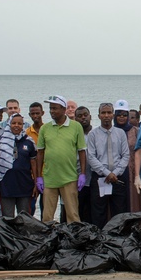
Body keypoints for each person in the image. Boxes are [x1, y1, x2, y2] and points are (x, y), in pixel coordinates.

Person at [35, 95, 87, 223]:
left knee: (73, 216)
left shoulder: (76, 127)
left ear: (64, 109)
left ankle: (74, 241)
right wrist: (39, 177)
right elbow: (40, 153)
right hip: (49, 178)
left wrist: (82, 174)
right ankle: (48, 241)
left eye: (55, 108)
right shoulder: (45, 128)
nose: (52, 111)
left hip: (69, 178)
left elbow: (81, 151)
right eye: (50, 108)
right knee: (47, 217)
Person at [86, 102, 130, 227]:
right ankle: (99, 240)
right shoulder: (93, 135)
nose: (106, 115)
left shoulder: (120, 133)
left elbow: (125, 155)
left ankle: (117, 239)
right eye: (103, 113)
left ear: (113, 115)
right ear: (99, 116)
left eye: (109, 112)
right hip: (100, 178)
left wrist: (114, 173)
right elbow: (91, 157)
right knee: (98, 212)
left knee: (119, 212)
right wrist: (107, 173)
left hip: (118, 178)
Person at [0, 113, 37, 219]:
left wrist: (36, 183)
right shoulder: (1, 142)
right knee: (7, 219)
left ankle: (23, 236)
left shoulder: (29, 142)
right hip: (6, 187)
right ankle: (8, 236)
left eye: (19, 123)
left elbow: (33, 163)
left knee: (25, 219)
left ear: (23, 125)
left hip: (24, 186)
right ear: (9, 124)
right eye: (13, 123)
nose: (16, 125)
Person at [115, 100, 141, 213]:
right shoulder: (111, 131)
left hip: (132, 172)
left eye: (124, 115)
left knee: (133, 201)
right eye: (119, 115)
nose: (122, 117)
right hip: (115, 173)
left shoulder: (136, 131)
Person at [74, 106, 94, 222]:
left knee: (93, 212)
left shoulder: (96, 133)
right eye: (80, 116)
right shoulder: (73, 135)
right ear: (75, 119)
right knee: (78, 211)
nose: (83, 118)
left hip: (94, 180)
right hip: (77, 180)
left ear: (90, 117)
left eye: (85, 115)